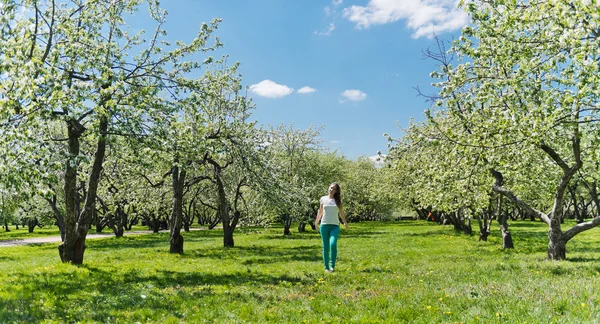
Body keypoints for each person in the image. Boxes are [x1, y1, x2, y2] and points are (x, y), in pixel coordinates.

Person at [314, 182, 349, 273]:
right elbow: (320, 211)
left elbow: (341, 212)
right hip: (324, 225)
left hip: (335, 226)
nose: (331, 189)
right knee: (325, 247)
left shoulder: (338, 201)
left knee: (332, 244)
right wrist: (316, 222)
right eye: (330, 187)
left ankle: (332, 266)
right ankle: (326, 267)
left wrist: (345, 223)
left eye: (333, 188)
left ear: (336, 191)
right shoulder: (323, 199)